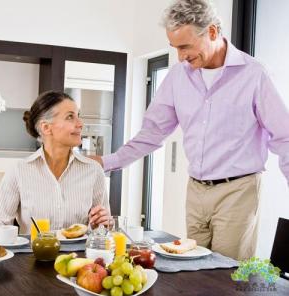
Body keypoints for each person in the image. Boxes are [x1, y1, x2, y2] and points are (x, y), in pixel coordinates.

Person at [89, 0, 289, 260]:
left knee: (226, 273)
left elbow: (284, 137)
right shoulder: (177, 77)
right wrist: (106, 162)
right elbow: (152, 133)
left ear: (213, 32)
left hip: (238, 190)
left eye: (185, 46)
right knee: (192, 267)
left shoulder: (254, 75)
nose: (181, 56)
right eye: (175, 48)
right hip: (195, 191)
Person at [0, 91, 110, 234]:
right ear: (46, 127)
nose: (80, 124)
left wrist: (102, 225)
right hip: (31, 255)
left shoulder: (94, 170)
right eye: (70, 117)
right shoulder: (19, 170)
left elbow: (101, 230)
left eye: (79, 116)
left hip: (78, 256)